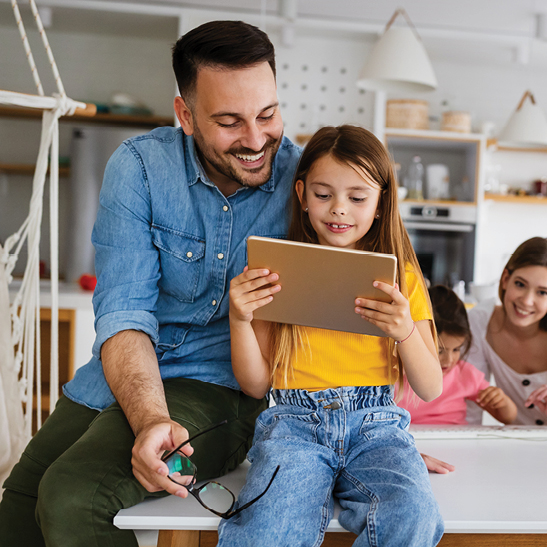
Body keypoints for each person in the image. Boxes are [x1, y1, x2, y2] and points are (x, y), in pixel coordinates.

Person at [0, 20, 302, 547]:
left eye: (268, 114)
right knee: (19, 508)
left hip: (219, 388)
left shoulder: (307, 183)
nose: (256, 140)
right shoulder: (139, 167)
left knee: (75, 496)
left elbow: (362, 297)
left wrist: (373, 433)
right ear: (185, 114)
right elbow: (124, 312)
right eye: (230, 122)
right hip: (120, 375)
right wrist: (149, 417)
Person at [219, 125, 445, 546]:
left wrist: (405, 332)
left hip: (377, 426)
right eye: (324, 195)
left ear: (380, 203)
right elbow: (255, 384)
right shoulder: (276, 271)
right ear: (302, 195)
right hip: (294, 426)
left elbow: (430, 387)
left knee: (413, 513)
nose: (339, 209)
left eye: (357, 198)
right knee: (268, 527)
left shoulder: (404, 281)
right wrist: (239, 320)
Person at [398, 285, 517, 424]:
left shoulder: (464, 374)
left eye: (456, 349)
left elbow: (508, 418)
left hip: (456, 442)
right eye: (440, 350)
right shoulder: (394, 377)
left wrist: (502, 402)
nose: (449, 360)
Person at [466, 237, 547, 425]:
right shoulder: (479, 322)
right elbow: (471, 400)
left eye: (543, 292)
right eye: (520, 284)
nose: (527, 301)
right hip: (514, 444)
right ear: (505, 280)